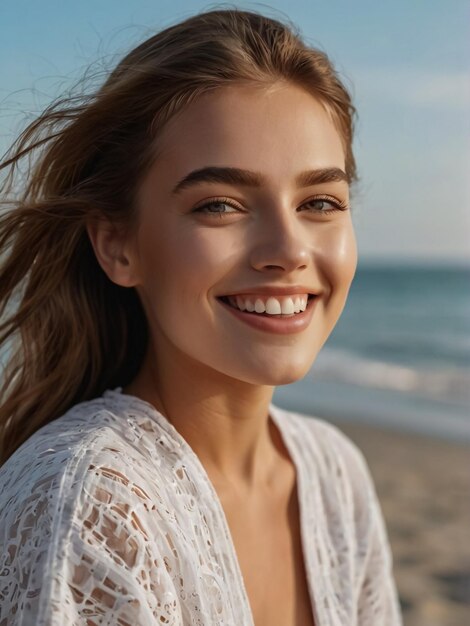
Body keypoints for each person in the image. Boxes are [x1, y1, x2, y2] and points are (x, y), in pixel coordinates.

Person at [0, 8, 403, 625]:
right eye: (221, 205)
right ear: (118, 245)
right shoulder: (91, 502)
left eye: (320, 201)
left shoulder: (334, 471)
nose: (290, 250)